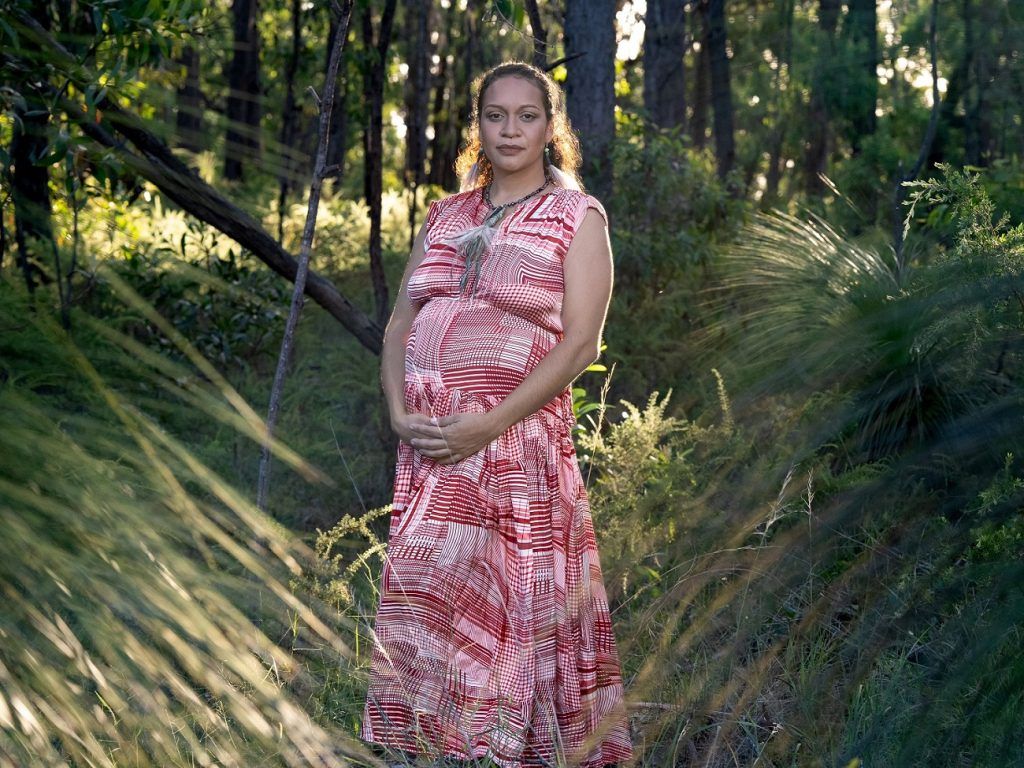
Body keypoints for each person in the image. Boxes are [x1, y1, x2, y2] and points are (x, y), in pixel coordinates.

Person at [362, 61, 632, 768]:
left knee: (515, 612)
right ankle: (430, 749)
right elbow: (399, 324)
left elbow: (580, 344)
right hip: (430, 446)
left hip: (515, 449)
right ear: (477, 125)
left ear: (552, 128)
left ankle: (510, 749)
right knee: (426, 591)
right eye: (495, 115)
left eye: (527, 115)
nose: (510, 129)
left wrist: (490, 422)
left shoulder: (579, 217)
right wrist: (397, 408)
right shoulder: (445, 214)